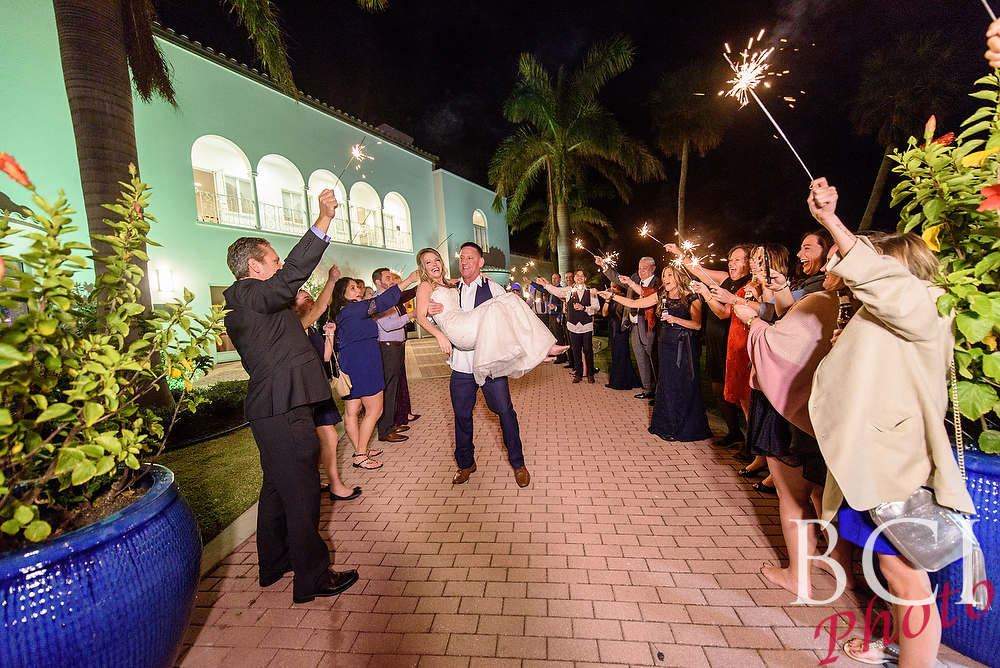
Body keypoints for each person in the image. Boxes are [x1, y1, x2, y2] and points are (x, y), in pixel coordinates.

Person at [806, 177, 976, 666]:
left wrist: (831, 221)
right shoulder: (899, 311)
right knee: (890, 568)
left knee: (904, 575)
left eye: (880, 264)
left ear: (900, 270)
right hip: (869, 461)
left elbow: (880, 281)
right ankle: (900, 644)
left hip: (891, 466)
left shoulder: (924, 306)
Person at [222, 188, 358, 604]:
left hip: (274, 409)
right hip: (282, 411)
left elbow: (291, 312)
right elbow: (292, 273)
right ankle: (312, 578)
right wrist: (323, 219)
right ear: (254, 267)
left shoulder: (253, 304)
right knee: (302, 495)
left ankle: (274, 563)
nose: (280, 265)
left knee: (277, 491)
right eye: (274, 260)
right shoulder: (247, 293)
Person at [731, 242, 854, 600]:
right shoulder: (853, 306)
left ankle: (797, 576)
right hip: (825, 411)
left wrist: (751, 320)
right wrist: (782, 291)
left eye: (831, 260)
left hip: (788, 406)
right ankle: (841, 565)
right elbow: (793, 319)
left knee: (791, 495)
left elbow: (776, 342)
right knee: (824, 492)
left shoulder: (823, 300)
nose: (824, 266)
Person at [414, 244, 566, 487]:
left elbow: (510, 324)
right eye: (462, 258)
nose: (464, 262)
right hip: (462, 365)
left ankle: (518, 463)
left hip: (490, 363)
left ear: (480, 262)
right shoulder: (451, 286)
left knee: (505, 411)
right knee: (462, 416)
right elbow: (428, 312)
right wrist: (430, 314)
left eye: (470, 258)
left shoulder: (492, 287)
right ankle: (466, 464)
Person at [601, 266, 712, 442]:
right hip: (665, 345)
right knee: (666, 383)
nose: (665, 278)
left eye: (669, 275)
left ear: (678, 277)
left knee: (682, 384)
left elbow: (697, 325)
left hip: (683, 347)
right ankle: (666, 425)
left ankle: (683, 426)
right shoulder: (661, 296)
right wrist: (612, 296)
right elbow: (635, 303)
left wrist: (675, 320)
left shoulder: (691, 297)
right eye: (664, 275)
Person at [329, 269, 421, 470]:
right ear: (342, 294)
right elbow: (382, 302)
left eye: (357, 287)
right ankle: (361, 455)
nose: (358, 290)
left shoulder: (342, 312)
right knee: (375, 410)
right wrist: (409, 280)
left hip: (350, 362)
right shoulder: (355, 309)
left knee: (352, 411)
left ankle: (359, 449)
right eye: (352, 288)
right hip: (364, 362)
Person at [669, 243, 752, 448]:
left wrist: (706, 294)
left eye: (737, 260)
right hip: (714, 342)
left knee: (741, 395)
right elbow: (698, 270)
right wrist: (680, 253)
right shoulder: (724, 278)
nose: (731, 263)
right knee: (718, 389)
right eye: (730, 259)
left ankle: (753, 443)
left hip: (731, 343)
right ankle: (734, 432)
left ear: (749, 263)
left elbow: (724, 313)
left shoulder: (748, 286)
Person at [292, 274, 362, 504]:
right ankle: (334, 485)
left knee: (325, 438)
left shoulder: (312, 330)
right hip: (306, 393)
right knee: (327, 437)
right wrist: (332, 281)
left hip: (319, 389)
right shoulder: (294, 330)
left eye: (311, 298)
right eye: (304, 298)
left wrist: (329, 334)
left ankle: (320, 481)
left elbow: (324, 357)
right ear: (293, 306)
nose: (310, 301)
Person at [597, 255, 660, 399]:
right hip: (634, 326)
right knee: (640, 359)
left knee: (654, 360)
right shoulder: (634, 279)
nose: (641, 271)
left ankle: (659, 393)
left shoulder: (658, 283)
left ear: (653, 269)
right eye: (639, 268)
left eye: (645, 268)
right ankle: (647, 390)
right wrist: (604, 266)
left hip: (649, 327)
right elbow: (617, 278)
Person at [536, 270, 600, 383]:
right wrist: (545, 285)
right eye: (577, 275)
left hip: (586, 326)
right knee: (575, 350)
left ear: (585, 278)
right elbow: (556, 291)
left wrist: (585, 308)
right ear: (575, 278)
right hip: (572, 325)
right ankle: (578, 373)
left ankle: (590, 373)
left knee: (588, 350)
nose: (579, 277)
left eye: (582, 275)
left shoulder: (591, 291)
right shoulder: (569, 290)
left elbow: (596, 308)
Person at [371, 267, 411, 444]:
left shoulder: (388, 298)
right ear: (378, 282)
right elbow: (387, 326)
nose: (392, 281)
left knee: (394, 387)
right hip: (388, 348)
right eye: (388, 278)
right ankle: (385, 429)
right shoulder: (377, 301)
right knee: (389, 387)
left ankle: (391, 424)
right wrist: (411, 315)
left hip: (396, 346)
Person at [601, 282, 642, 390]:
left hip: (621, 330)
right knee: (615, 354)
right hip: (612, 328)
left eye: (614, 287)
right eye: (610, 286)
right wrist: (607, 300)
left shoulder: (623, 299)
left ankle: (620, 382)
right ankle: (625, 380)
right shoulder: (610, 298)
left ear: (620, 288)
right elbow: (604, 313)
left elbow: (622, 314)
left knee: (621, 354)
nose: (611, 289)